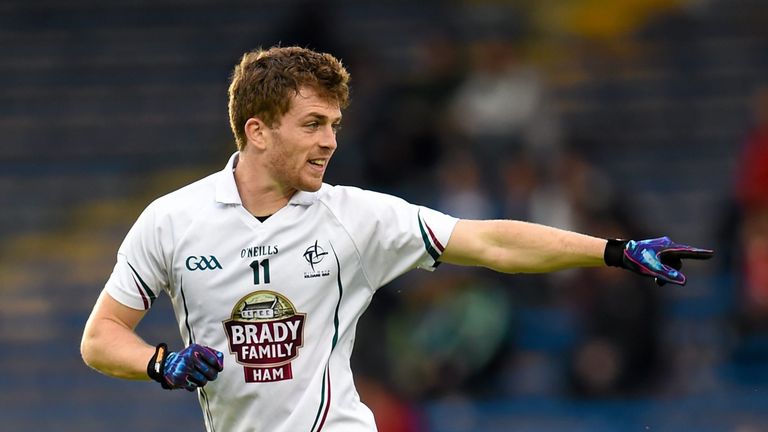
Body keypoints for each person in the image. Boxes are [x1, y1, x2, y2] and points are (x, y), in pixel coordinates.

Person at [80, 46, 713, 432]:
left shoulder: (355, 218)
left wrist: (610, 251)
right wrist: (162, 364)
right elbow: (100, 337)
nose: (330, 140)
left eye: (334, 123)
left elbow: (490, 242)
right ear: (258, 130)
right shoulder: (172, 220)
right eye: (312, 124)